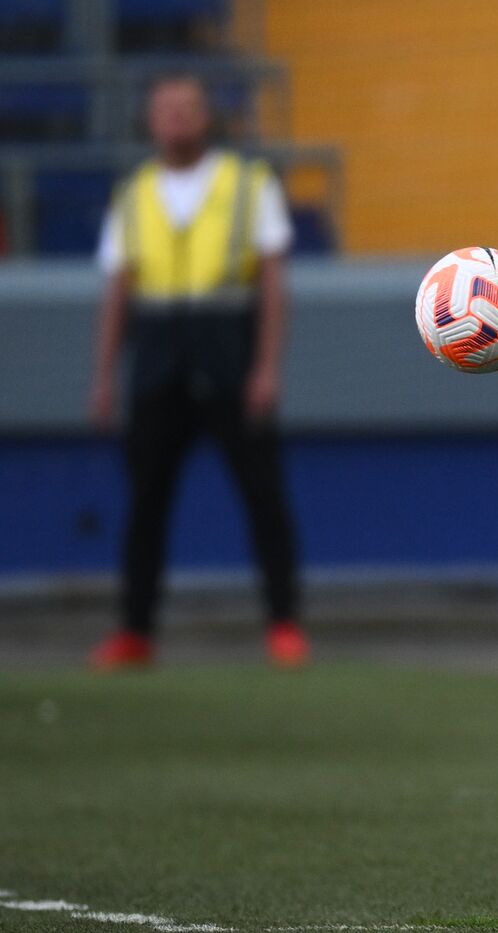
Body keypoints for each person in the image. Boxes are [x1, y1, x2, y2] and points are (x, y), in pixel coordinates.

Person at [87, 73, 307, 669]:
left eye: (187, 107)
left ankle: (284, 622)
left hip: (227, 351)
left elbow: (272, 280)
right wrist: (104, 376)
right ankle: (136, 629)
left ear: (206, 116)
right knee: (146, 501)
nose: (177, 118)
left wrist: (266, 366)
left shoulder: (246, 185)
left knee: (262, 494)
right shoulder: (133, 194)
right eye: (165, 109)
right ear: (150, 120)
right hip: (158, 358)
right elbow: (117, 290)